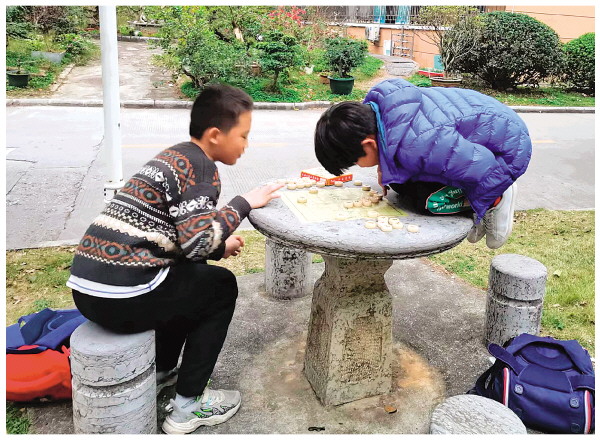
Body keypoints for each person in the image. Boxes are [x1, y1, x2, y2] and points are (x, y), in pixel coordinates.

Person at [66, 84, 283, 434]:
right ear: (216, 135)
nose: (246, 145)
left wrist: (218, 247)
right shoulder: (201, 168)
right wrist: (243, 204)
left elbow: (182, 238)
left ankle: (163, 371)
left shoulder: (174, 157)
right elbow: (197, 244)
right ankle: (188, 407)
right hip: (123, 297)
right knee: (220, 287)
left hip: (88, 292)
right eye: (243, 136)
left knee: (192, 279)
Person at [314, 78, 532, 249]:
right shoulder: (381, 112)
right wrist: (384, 165)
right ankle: (473, 198)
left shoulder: (418, 143)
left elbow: (484, 167)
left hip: (504, 153)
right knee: (398, 182)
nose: (360, 166)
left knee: (426, 202)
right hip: (475, 140)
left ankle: (498, 198)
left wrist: (482, 204)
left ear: (369, 144)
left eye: (355, 162)